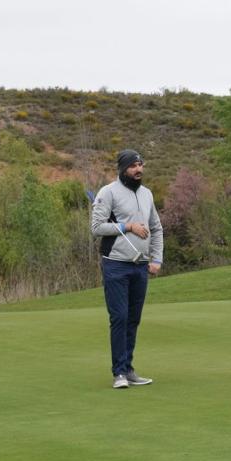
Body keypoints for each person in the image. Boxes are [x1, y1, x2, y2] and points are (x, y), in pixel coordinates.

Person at [91, 149, 164, 389]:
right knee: (120, 317)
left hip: (140, 265)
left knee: (133, 319)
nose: (138, 169)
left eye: (141, 164)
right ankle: (119, 372)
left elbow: (156, 228)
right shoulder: (108, 192)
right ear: (123, 169)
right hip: (115, 264)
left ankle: (129, 368)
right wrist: (128, 226)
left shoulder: (147, 194)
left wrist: (157, 259)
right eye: (133, 166)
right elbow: (97, 227)